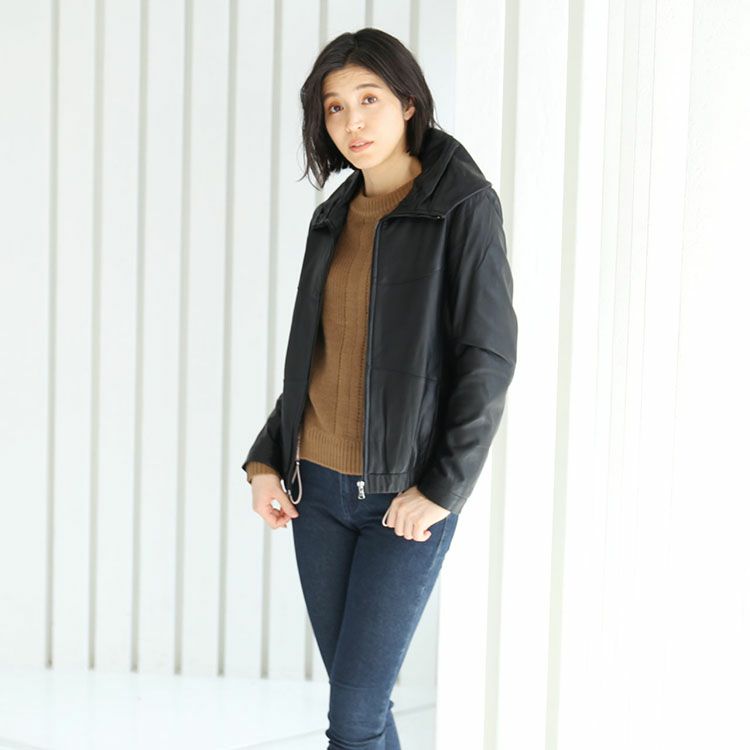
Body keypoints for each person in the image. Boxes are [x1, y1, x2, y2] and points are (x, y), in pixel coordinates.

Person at [242, 27, 518, 750]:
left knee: (355, 719)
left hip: (403, 500)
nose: (352, 122)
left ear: (408, 102)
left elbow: (488, 359)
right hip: (316, 494)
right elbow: (316, 358)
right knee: (362, 705)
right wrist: (267, 459)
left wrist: (441, 489)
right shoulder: (333, 215)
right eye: (335, 107)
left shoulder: (464, 206)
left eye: (369, 99)